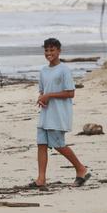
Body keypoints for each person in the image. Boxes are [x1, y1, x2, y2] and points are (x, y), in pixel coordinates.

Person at [32, 38, 91, 188]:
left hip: (58, 115)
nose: (49, 53)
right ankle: (41, 179)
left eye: (52, 50)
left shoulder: (64, 70)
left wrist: (49, 95)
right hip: (45, 114)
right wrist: (42, 98)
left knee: (58, 144)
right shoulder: (43, 71)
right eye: (46, 50)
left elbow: (70, 93)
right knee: (41, 144)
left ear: (59, 51)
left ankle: (80, 168)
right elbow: (42, 90)